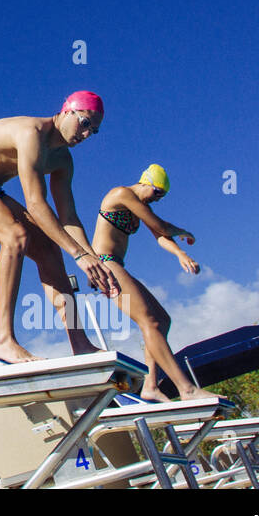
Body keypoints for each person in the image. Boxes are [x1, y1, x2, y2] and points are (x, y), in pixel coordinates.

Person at [0, 91, 114, 362]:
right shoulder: (31, 132)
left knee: (49, 250)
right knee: (15, 235)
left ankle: (80, 343)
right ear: (67, 111)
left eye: (94, 131)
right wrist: (79, 255)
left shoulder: (62, 160)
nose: (86, 135)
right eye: (84, 123)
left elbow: (68, 217)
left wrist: (92, 258)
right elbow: (35, 204)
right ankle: (4, 340)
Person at [91, 164, 216, 401]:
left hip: (116, 264)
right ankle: (186, 389)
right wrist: (183, 230)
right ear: (145, 181)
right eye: (157, 192)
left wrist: (180, 253)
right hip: (105, 264)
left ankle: (150, 385)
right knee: (150, 321)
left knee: (162, 320)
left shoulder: (141, 204)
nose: (158, 199)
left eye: (163, 196)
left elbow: (159, 235)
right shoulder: (121, 194)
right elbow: (161, 226)